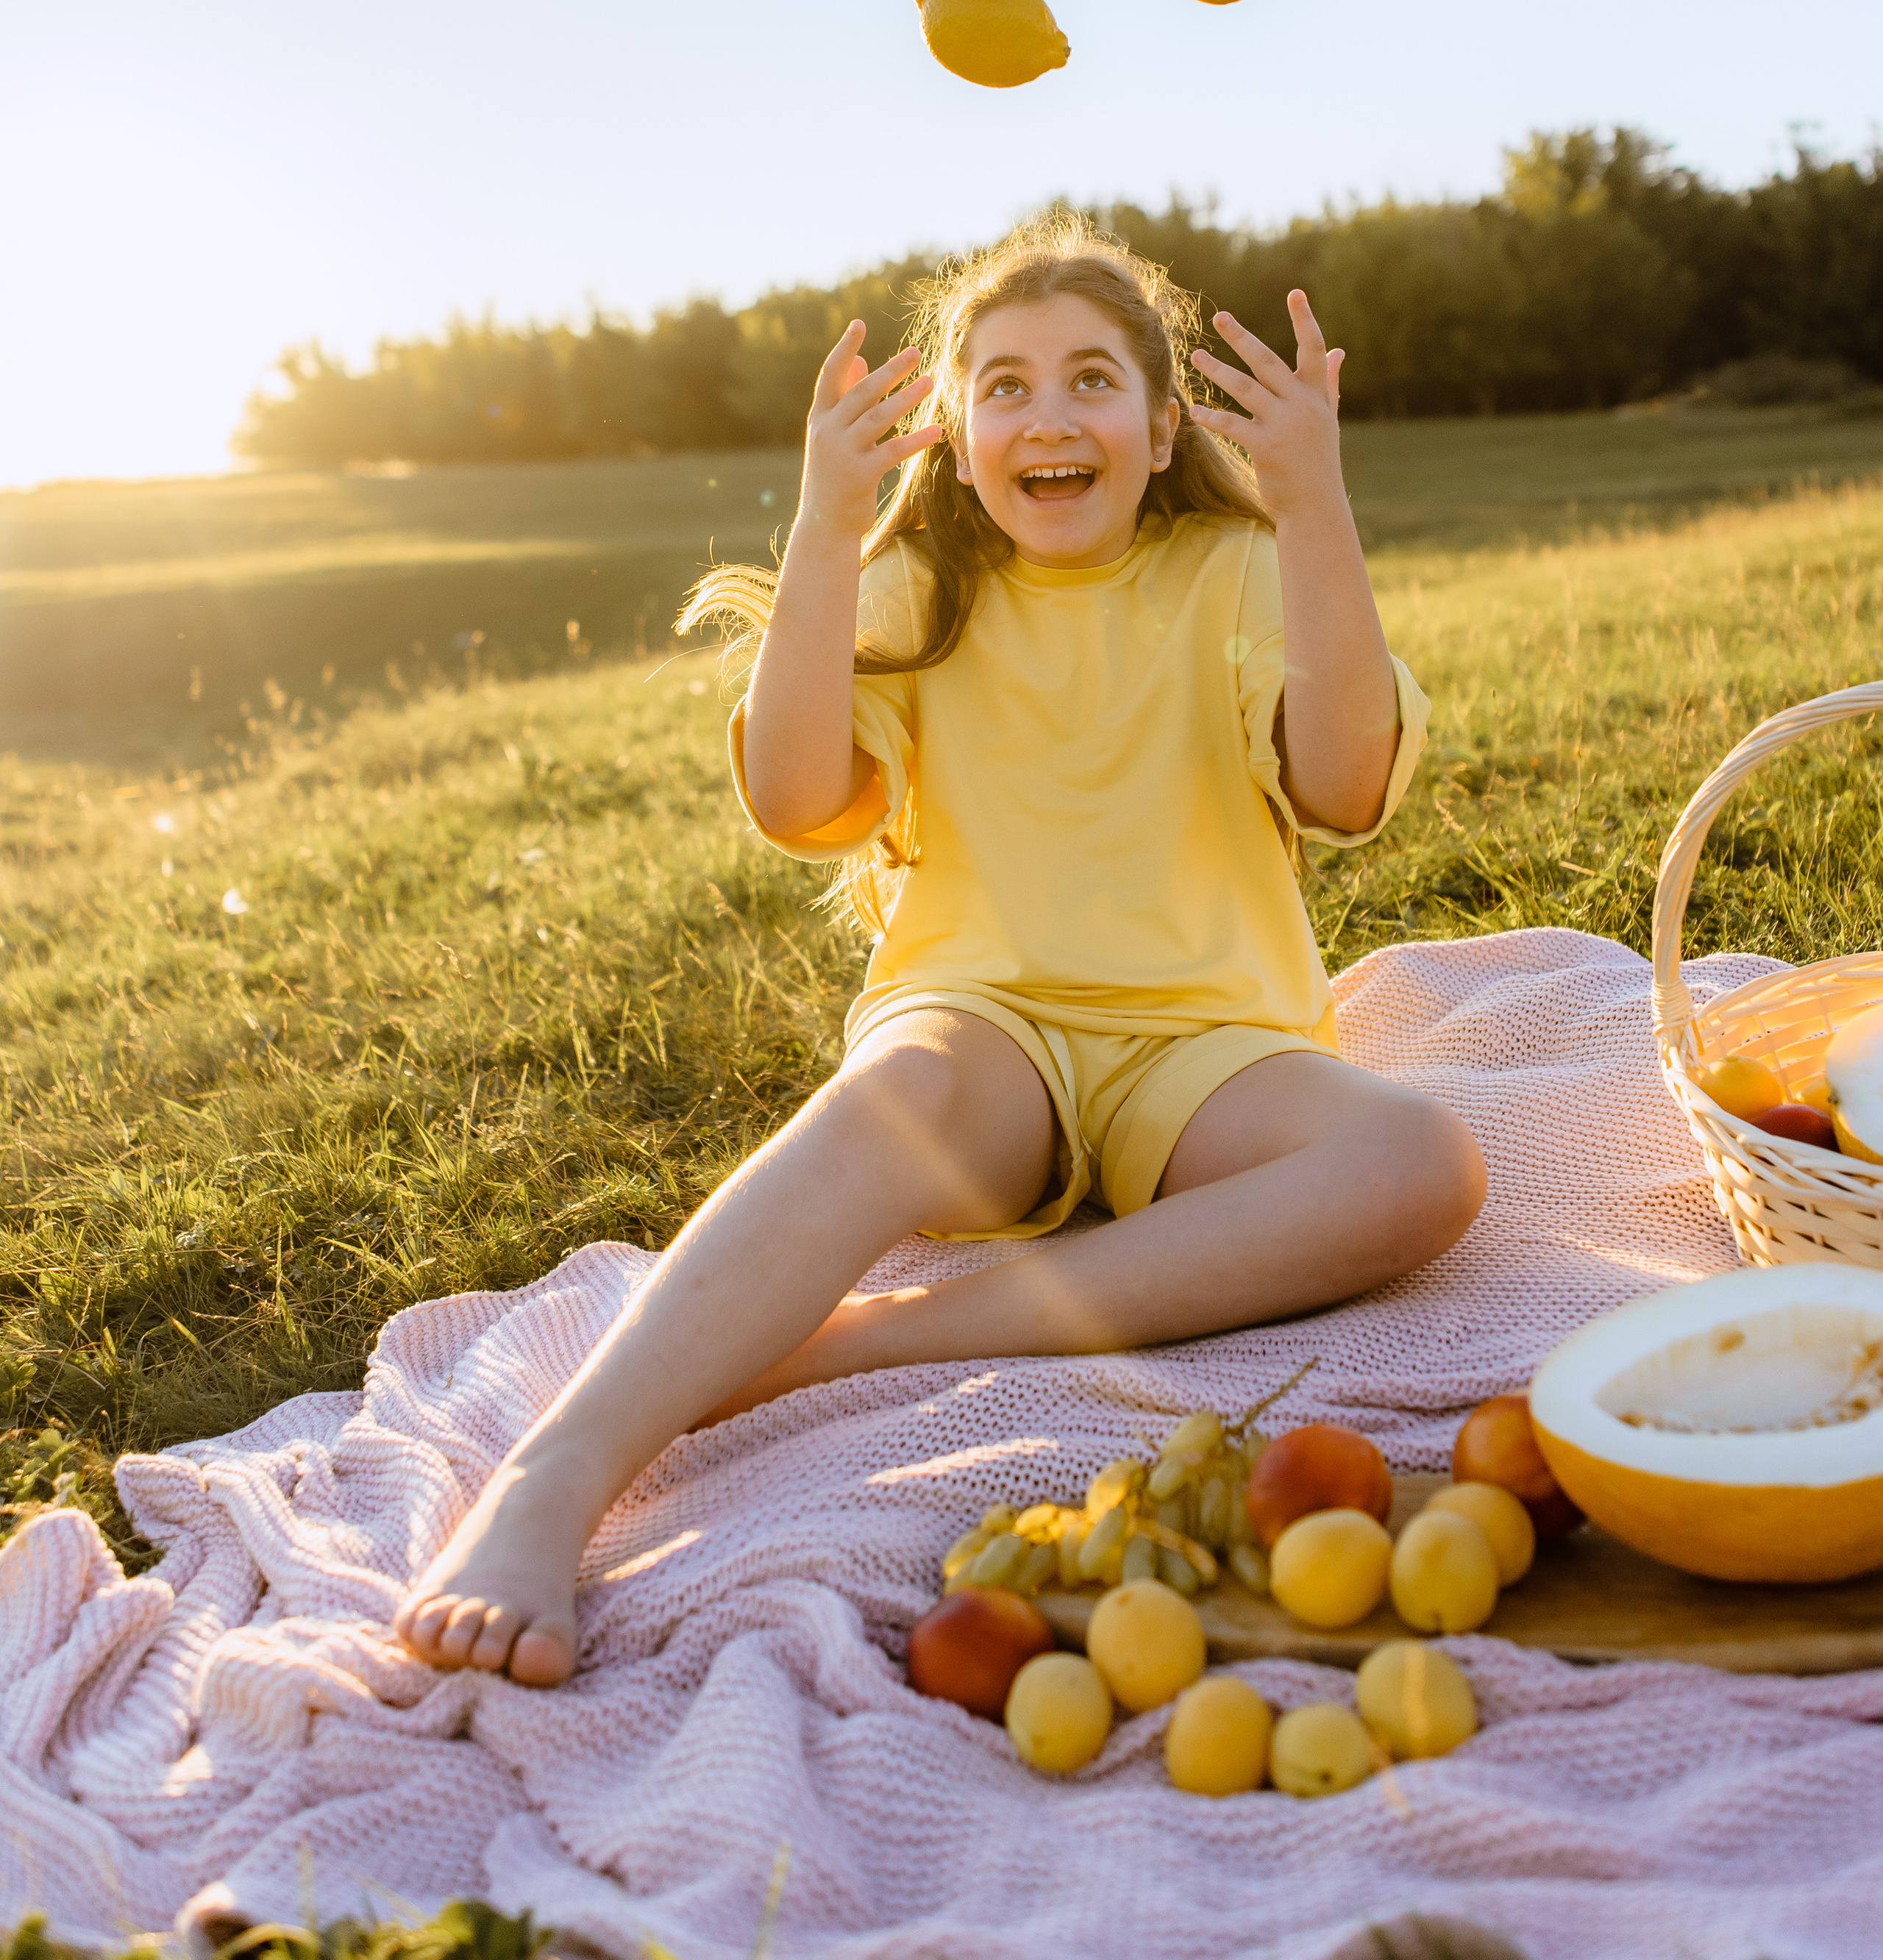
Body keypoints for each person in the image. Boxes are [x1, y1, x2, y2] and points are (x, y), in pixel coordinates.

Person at [394, 215, 1484, 1686]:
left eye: (1093, 379)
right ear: (957, 438)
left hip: (1208, 1052)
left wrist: (1310, 509)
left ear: (1162, 428)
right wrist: (824, 531)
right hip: (983, 1036)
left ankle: (867, 1340)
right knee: (895, 1094)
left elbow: (1346, 784)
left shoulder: (1233, 565)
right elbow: (794, 799)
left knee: (1421, 1167)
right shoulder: (917, 586)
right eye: (1006, 386)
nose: (1049, 414)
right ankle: (555, 1476)